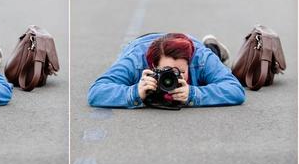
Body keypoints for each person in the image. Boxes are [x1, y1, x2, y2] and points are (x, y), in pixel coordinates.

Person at [87, 33, 245, 108]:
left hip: (191, 43)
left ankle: (213, 48)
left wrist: (194, 94)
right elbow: (96, 92)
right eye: (166, 71)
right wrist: (135, 92)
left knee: (213, 62)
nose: (172, 78)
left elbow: (235, 90)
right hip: (140, 44)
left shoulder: (200, 59)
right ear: (153, 66)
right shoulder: (135, 62)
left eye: (181, 72)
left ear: (190, 63)